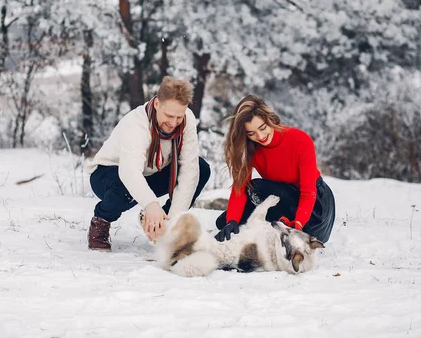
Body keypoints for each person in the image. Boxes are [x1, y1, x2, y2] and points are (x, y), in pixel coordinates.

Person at [86, 76, 211, 251]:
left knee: (201, 168)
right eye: (169, 115)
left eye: (179, 117)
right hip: (108, 174)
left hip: (150, 173)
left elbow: (189, 171)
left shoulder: (187, 120)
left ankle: (160, 224)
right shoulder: (137, 124)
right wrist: (151, 204)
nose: (174, 123)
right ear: (157, 104)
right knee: (122, 188)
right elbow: (129, 172)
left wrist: (172, 222)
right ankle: (101, 220)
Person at [214, 95, 335, 243]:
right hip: (283, 198)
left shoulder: (300, 140)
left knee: (257, 188)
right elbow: (240, 187)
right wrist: (231, 221)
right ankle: (277, 224)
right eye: (251, 133)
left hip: (314, 209)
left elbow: (308, 193)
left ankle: (285, 226)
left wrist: (297, 226)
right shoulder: (249, 148)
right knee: (224, 222)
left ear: (270, 119)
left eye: (262, 127)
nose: (260, 136)